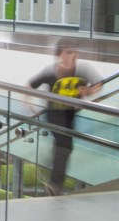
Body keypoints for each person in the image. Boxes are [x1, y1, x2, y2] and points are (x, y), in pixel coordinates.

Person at [27, 39, 102, 195]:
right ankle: (55, 184)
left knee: (63, 146)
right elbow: (30, 85)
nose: (73, 55)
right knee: (65, 144)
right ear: (59, 54)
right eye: (69, 52)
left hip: (70, 115)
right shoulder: (51, 72)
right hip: (53, 114)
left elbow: (99, 83)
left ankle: (52, 176)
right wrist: (29, 105)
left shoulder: (83, 71)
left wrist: (88, 92)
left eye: (75, 52)